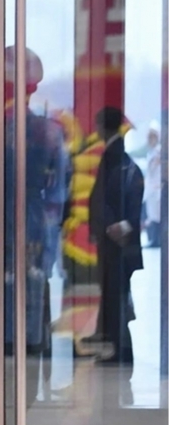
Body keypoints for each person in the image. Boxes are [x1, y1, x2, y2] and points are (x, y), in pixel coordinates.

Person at [81, 106, 144, 367]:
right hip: (122, 236)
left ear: (102, 127)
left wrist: (110, 226)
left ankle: (119, 349)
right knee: (118, 292)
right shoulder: (124, 159)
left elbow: (100, 200)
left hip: (115, 240)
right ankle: (121, 347)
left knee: (115, 293)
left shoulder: (113, 156)